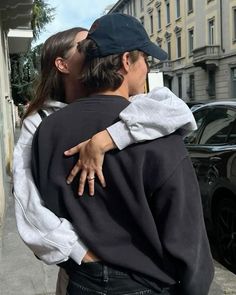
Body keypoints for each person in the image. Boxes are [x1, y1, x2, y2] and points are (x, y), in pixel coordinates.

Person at [31, 13, 214, 295]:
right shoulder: (158, 134)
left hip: (80, 281)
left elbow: (44, 209)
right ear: (127, 61)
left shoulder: (48, 130)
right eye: (145, 60)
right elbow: (187, 237)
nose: (147, 69)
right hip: (147, 284)